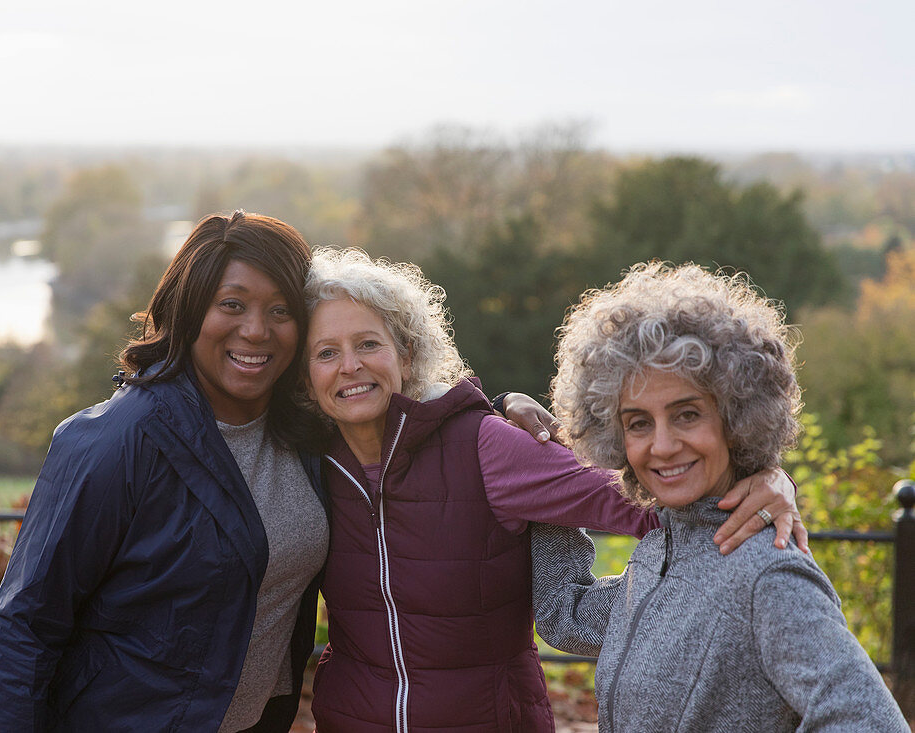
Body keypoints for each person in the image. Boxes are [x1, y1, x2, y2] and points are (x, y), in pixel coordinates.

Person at [0, 211, 555, 732]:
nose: (256, 330)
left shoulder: (305, 429)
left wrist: (496, 406)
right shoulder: (116, 442)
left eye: (280, 311)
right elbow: (24, 628)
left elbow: (404, 413)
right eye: (232, 305)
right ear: (188, 310)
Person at [300, 249, 802, 732]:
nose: (350, 366)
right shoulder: (305, 461)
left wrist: (762, 478)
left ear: (406, 355)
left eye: (368, 344)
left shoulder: (486, 446)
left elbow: (660, 498)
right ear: (305, 376)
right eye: (327, 353)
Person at [531, 262, 907, 731]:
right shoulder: (660, 555)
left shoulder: (766, 576)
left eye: (687, 415)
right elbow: (565, 613)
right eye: (638, 423)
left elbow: (871, 722)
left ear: (736, 417)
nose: (662, 445)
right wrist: (529, 471)